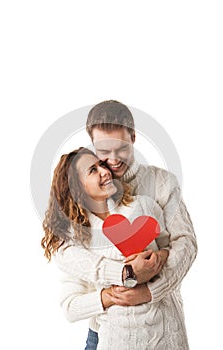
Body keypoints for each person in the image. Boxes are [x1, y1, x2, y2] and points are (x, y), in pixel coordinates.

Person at [48, 100, 197, 349]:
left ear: (134, 137)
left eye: (122, 148)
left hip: (161, 325)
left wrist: (150, 289)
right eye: (104, 151)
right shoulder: (82, 196)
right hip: (105, 331)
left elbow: (186, 244)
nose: (113, 160)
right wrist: (124, 276)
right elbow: (65, 252)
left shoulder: (161, 184)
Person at [42, 147, 171, 349]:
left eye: (101, 165)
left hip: (158, 330)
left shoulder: (143, 206)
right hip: (109, 336)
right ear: (77, 188)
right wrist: (111, 294)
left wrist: (161, 257)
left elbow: (170, 247)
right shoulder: (77, 238)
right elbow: (70, 307)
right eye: (92, 170)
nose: (105, 171)